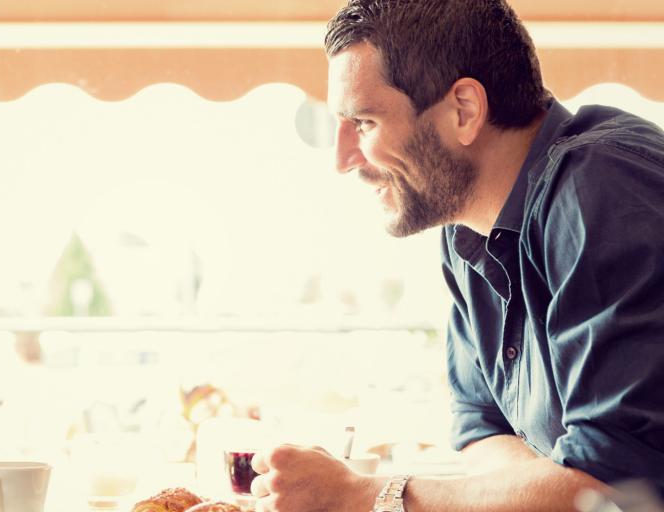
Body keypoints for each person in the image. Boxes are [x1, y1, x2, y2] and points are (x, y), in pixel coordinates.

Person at [250, 0, 664, 510]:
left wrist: (361, 495)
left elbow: (618, 491)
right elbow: (479, 424)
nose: (342, 159)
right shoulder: (468, 228)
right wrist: (553, 488)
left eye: (363, 122)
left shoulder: (602, 191)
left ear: (464, 110)